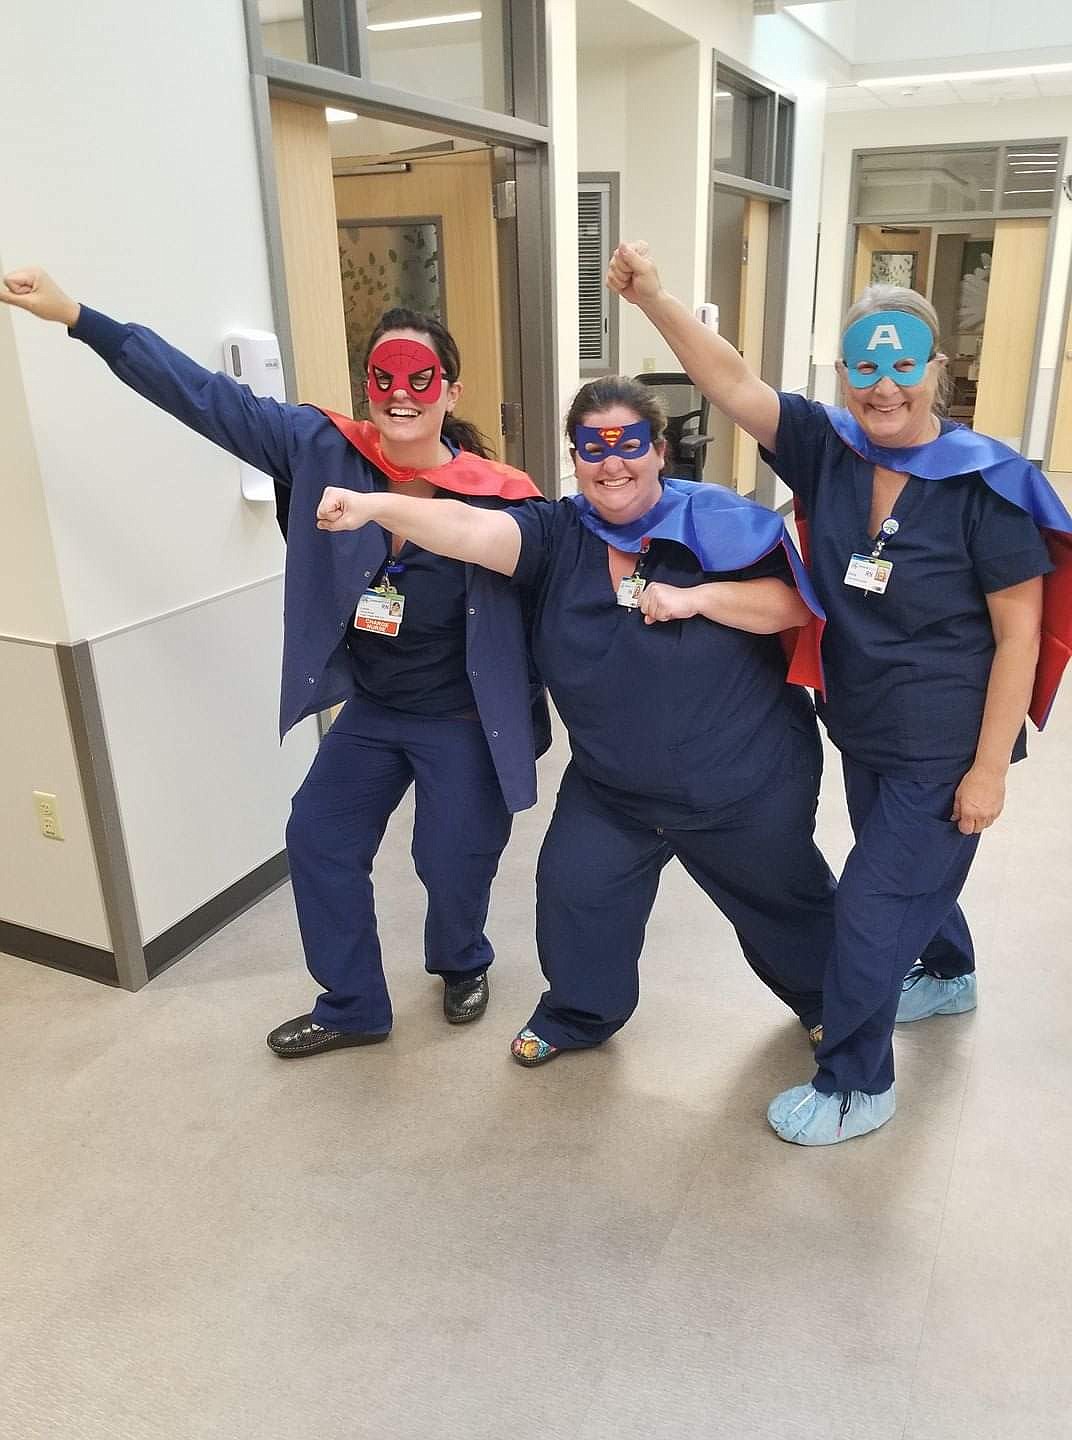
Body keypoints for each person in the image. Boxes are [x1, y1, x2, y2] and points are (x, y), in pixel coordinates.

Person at [0, 267, 549, 1056]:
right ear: (368, 386)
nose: (401, 395)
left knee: (450, 860)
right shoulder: (321, 447)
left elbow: (551, 598)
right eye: (384, 378)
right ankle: (353, 1004)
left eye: (420, 379)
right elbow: (200, 397)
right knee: (319, 835)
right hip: (375, 708)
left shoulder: (500, 495)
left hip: (463, 717)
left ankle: (461, 959)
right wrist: (77, 317)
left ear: (450, 393)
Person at [607, 242, 1072, 1144]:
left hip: (944, 742)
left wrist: (989, 772)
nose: (884, 386)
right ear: (844, 370)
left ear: (938, 368)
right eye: (867, 366)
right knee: (904, 883)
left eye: (904, 366)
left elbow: (1020, 634)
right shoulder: (832, 450)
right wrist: (657, 301)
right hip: (863, 728)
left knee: (866, 907)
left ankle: (858, 1082)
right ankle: (948, 971)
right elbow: (735, 384)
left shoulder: (990, 487)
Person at [314, 375, 841, 1068]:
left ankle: (832, 1007)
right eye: (593, 447)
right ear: (574, 456)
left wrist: (700, 598)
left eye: (628, 444)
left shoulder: (718, 519)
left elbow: (795, 608)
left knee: (788, 907)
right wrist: (373, 505)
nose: (611, 463)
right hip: (615, 789)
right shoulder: (559, 534)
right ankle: (580, 1013)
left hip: (739, 780)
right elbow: (472, 528)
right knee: (574, 894)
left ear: (659, 451)